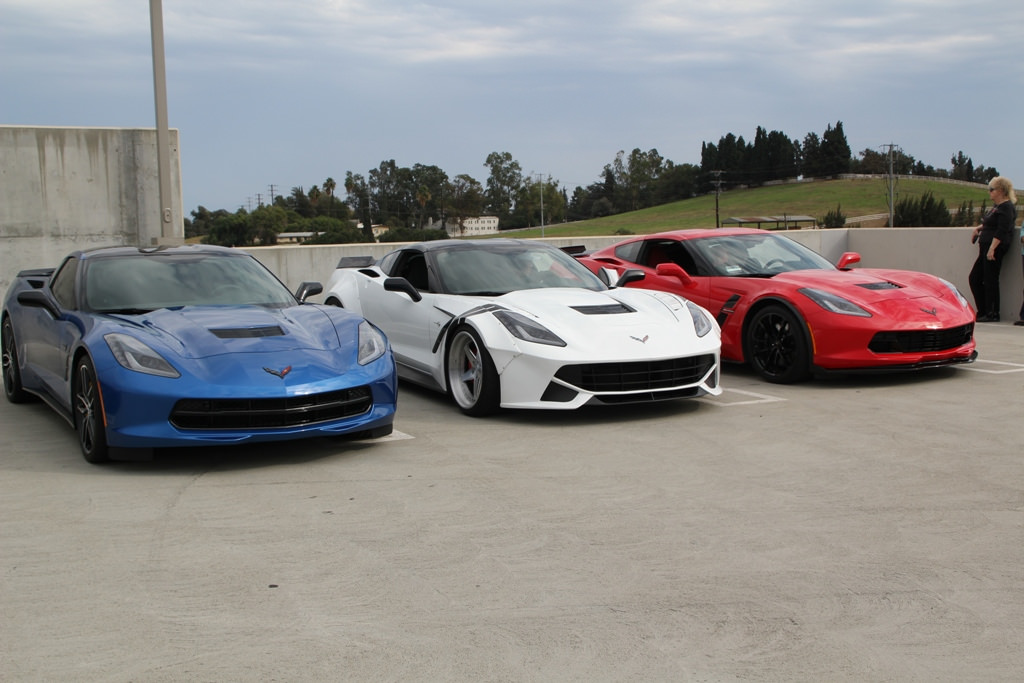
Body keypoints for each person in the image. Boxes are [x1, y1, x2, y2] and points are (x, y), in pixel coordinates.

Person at [969, 176, 1017, 322]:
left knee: (990, 279)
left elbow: (1002, 229)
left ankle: (993, 312)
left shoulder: (1007, 207)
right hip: (985, 246)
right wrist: (979, 228)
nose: (990, 192)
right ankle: (983, 310)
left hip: (994, 247)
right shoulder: (997, 207)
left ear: (1001, 191)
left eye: (992, 189)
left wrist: (992, 249)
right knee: (975, 278)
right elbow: (991, 223)